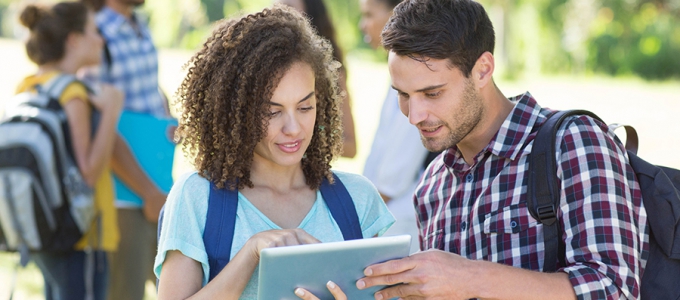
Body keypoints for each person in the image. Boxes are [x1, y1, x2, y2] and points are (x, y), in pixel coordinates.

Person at [354, 0, 649, 299]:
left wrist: (471, 278)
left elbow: (613, 289)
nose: (414, 115)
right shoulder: (432, 185)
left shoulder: (574, 142)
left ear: (483, 69)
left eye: (432, 93)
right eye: (403, 95)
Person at [154, 5, 394, 299]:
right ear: (237, 111)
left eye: (305, 107)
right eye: (272, 111)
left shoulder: (358, 199)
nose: (293, 128)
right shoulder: (197, 198)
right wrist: (251, 253)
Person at [17, 2, 123, 299]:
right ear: (74, 40)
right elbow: (88, 173)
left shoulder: (29, 85)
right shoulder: (73, 93)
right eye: (93, 31)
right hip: (83, 235)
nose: (101, 39)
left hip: (45, 230)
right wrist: (112, 111)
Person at [79, 0, 169, 299]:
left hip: (156, 182)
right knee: (125, 291)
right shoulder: (96, 32)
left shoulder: (138, 24)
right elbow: (99, 124)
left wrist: (166, 118)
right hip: (125, 194)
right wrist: (148, 193)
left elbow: (148, 90)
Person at [359, 0, 431, 254]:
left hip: (398, 222)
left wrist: (360, 223)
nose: (362, 25)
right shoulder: (395, 75)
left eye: (369, 14)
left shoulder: (415, 79)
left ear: (395, 14)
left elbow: (394, 175)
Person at [278, 0, 357, 158]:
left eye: (289, 7)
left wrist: (303, 139)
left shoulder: (331, 73)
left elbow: (350, 147)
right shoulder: (261, 71)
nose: (280, 14)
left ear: (310, 15)